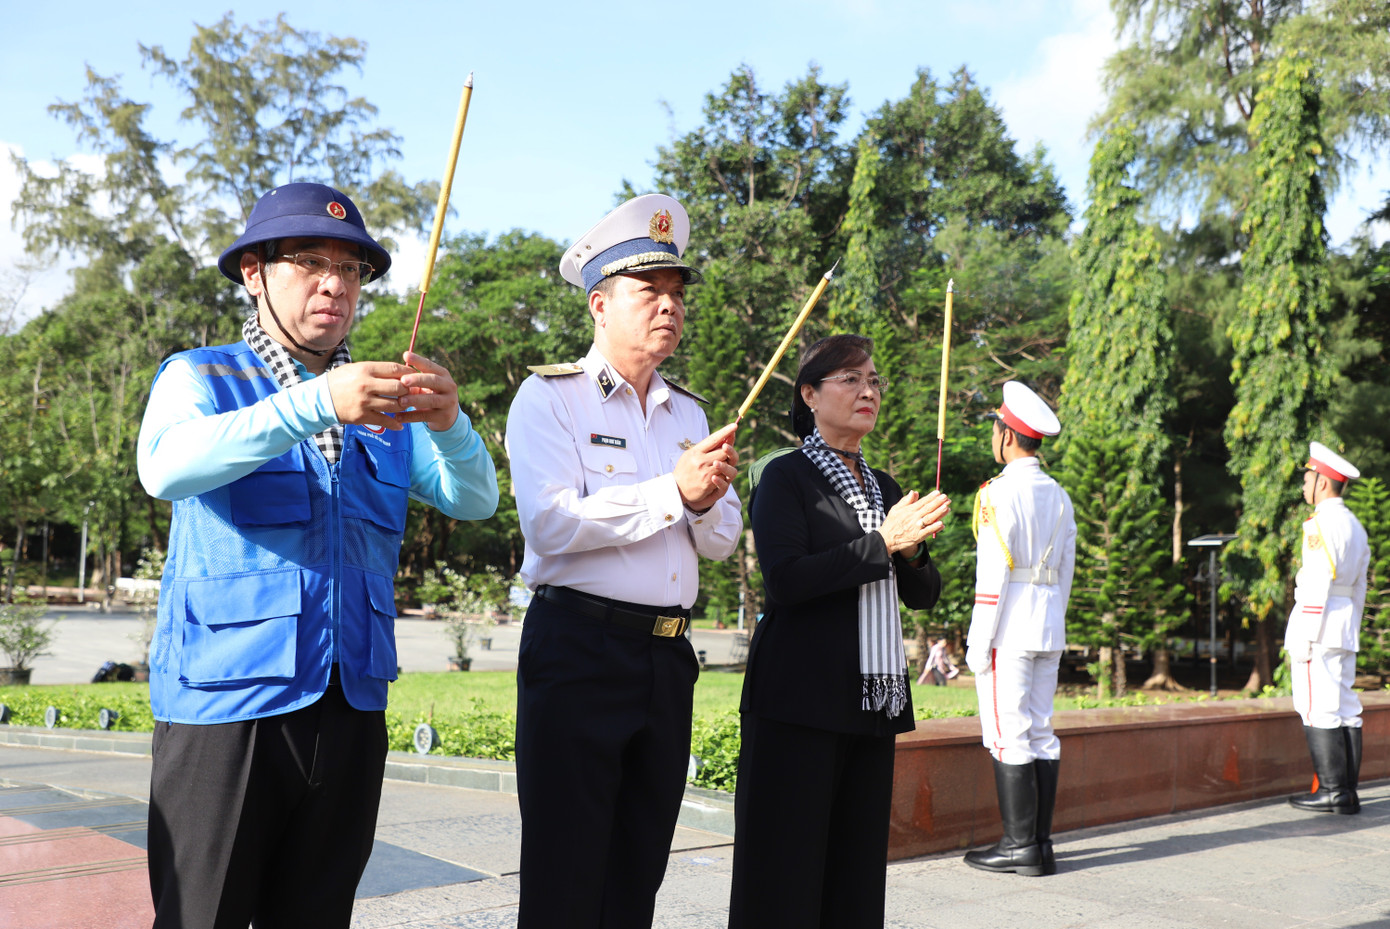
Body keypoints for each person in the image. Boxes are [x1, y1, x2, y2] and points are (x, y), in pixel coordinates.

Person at [136, 182, 500, 928]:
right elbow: (164, 467)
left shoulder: (383, 409)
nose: (335, 283)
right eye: (309, 261)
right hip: (226, 707)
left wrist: (453, 423)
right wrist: (316, 401)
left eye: (352, 268)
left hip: (350, 705)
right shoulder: (202, 376)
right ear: (254, 272)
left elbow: (475, 498)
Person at [504, 193, 742, 928]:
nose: (668, 306)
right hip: (579, 650)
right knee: (565, 873)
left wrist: (701, 502)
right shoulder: (551, 400)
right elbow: (551, 525)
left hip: (666, 661)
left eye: (676, 292)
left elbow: (723, 538)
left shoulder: (689, 413)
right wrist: (673, 489)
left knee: (638, 869)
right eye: (650, 291)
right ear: (600, 304)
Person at [729, 334, 950, 929]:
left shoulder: (882, 484)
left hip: (870, 703)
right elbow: (786, 582)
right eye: (850, 379)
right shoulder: (786, 477)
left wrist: (911, 549)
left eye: (874, 380)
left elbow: (926, 594)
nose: (868, 391)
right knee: (782, 872)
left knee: (854, 876)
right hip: (798, 701)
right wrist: (884, 542)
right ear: (809, 393)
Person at [962, 381, 1075, 877]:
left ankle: (1017, 845)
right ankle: (1040, 843)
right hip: (1048, 624)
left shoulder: (997, 493)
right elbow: (1067, 568)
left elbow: (993, 575)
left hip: (1007, 628)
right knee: (1042, 732)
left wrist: (977, 639)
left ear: (1007, 436)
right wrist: (1056, 620)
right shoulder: (1059, 494)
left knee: (1009, 735)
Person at [1286, 441, 1369, 815]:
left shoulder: (1319, 524)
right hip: (1343, 625)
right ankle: (1347, 792)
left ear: (1322, 482)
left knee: (1316, 708)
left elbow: (1318, 580)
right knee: (1346, 709)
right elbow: (1360, 587)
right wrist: (1352, 626)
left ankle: (1331, 792)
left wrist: (1305, 634)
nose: (1304, 485)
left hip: (1317, 625)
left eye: (1307, 478)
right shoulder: (1355, 525)